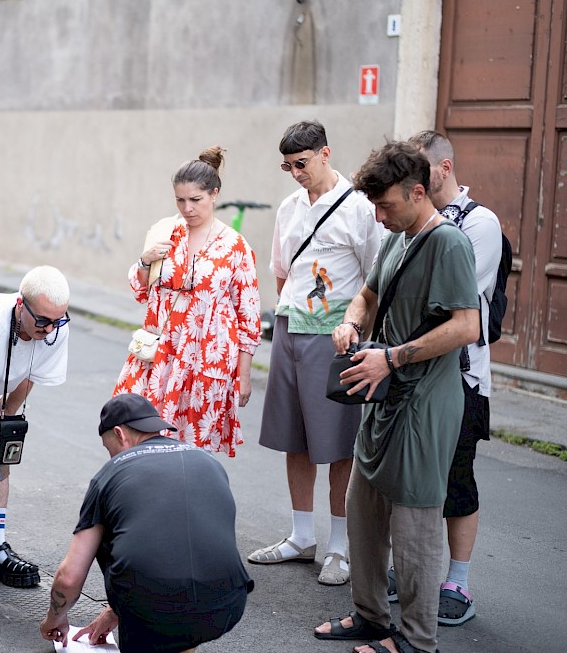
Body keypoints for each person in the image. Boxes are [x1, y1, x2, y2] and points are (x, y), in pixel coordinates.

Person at [314, 141, 480, 653]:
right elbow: (368, 293)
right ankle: (370, 616)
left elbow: (467, 326)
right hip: (383, 397)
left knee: (414, 526)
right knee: (362, 509)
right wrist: (349, 322)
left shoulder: (448, 243)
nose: (378, 215)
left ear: (417, 191)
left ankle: (415, 639)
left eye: (386, 205)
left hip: (425, 402)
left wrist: (392, 357)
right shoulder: (397, 237)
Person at [249, 121, 381, 586]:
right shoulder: (289, 207)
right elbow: (281, 272)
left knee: (339, 443)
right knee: (295, 437)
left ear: (325, 154)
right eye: (286, 166)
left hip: (335, 337)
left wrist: (355, 330)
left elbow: (374, 280)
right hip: (289, 328)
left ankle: (340, 548)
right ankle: (301, 536)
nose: (294, 173)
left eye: (300, 164)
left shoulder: (360, 208)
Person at [40, 394, 252, 653]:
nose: (111, 457)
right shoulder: (208, 462)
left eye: (109, 449)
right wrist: (115, 611)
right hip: (226, 603)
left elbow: (69, 577)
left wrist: (55, 619)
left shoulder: (111, 473)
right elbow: (183, 543)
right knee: (179, 626)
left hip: (151, 607)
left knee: (110, 528)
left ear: (119, 434)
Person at [408, 130, 502, 626]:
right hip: (412, 373)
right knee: (410, 476)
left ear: (444, 169)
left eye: (421, 170)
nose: (413, 182)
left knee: (455, 481)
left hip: (462, 378)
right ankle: (413, 569)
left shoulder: (480, 223)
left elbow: (443, 298)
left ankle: (458, 583)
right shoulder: (413, 217)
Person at [114, 146, 261, 457]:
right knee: (137, 434)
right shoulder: (165, 232)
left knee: (191, 448)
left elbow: (248, 316)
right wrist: (144, 260)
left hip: (207, 358)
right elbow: (141, 291)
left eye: (195, 199)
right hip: (158, 355)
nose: (187, 208)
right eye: (180, 200)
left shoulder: (234, 245)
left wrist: (243, 377)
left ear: (214, 194)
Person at [0, 265, 70, 588]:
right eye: (43, 320)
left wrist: (4, 417)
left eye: (58, 320)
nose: (49, 330)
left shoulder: (55, 329)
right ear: (21, 305)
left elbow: (31, 375)